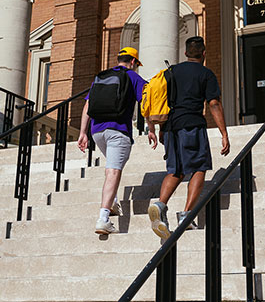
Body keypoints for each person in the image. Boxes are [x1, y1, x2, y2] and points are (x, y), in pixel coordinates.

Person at [148, 36, 230, 240]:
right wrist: (224, 132)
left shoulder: (171, 72)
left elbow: (160, 99)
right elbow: (213, 104)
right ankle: (186, 215)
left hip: (170, 127)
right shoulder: (206, 74)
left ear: (185, 53)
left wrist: (159, 128)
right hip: (192, 125)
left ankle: (160, 204)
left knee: (175, 170)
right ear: (204, 53)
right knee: (199, 167)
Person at [78, 47, 157, 235]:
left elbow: (88, 104)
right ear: (133, 62)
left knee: (112, 165)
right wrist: (151, 128)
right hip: (118, 130)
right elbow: (146, 103)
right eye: (137, 65)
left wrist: (83, 132)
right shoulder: (132, 76)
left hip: (97, 132)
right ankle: (103, 219)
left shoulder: (101, 76)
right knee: (113, 171)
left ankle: (112, 202)